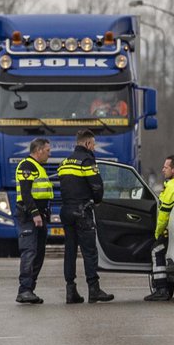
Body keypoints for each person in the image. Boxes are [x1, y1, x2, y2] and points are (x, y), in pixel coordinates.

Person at [57, 129, 114, 303]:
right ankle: (94, 289)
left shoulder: (65, 162)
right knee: (89, 251)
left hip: (66, 211)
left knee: (70, 251)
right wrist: (97, 200)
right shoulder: (87, 160)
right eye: (93, 144)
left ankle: (70, 290)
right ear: (87, 143)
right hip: (82, 211)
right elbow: (96, 186)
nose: (94, 148)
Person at [14, 138, 53, 304]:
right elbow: (26, 193)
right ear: (38, 150)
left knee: (39, 254)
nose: (49, 154)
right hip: (30, 217)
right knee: (29, 252)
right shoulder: (27, 166)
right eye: (47, 151)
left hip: (40, 216)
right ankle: (24, 290)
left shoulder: (38, 167)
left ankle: (30, 289)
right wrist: (35, 213)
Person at [143, 154, 174, 302]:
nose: (162, 170)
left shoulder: (172, 188)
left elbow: (163, 216)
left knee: (156, 250)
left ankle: (161, 289)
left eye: (166, 167)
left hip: (171, 231)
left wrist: (158, 233)